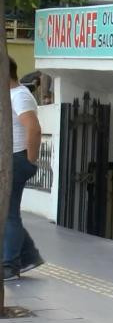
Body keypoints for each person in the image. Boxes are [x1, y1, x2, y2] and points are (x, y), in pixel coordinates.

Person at [4, 57, 45, 281]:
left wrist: (29, 160)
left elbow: (33, 128)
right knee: (7, 212)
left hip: (17, 159)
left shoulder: (19, 96)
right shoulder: (10, 95)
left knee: (8, 213)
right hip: (11, 159)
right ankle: (28, 255)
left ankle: (10, 265)